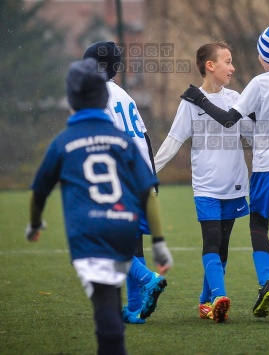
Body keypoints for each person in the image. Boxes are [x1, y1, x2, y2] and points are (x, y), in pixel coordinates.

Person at [25, 58, 173, 354]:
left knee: (105, 305)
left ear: (71, 100)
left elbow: (39, 191)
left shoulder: (64, 142)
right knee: (123, 261)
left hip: (87, 232)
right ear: (105, 96)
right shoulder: (121, 139)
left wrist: (35, 223)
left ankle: (143, 284)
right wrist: (159, 241)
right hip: (123, 216)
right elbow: (146, 188)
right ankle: (134, 306)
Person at [180, 25, 269, 323]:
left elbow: (230, 119)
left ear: (265, 55)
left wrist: (200, 99)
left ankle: (266, 283)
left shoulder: (259, 83)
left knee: (258, 223)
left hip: (268, 167)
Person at [154, 41, 251, 323]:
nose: (233, 67)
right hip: (206, 187)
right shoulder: (189, 103)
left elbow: (252, 135)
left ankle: (204, 302)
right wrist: (150, 172)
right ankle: (220, 296)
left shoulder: (236, 99)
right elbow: (173, 141)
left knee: (223, 247)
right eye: (227, 61)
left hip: (234, 185)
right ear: (210, 66)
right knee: (211, 240)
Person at [83, 41, 168, 324]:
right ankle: (134, 309)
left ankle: (149, 278)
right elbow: (145, 137)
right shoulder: (123, 95)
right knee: (133, 246)